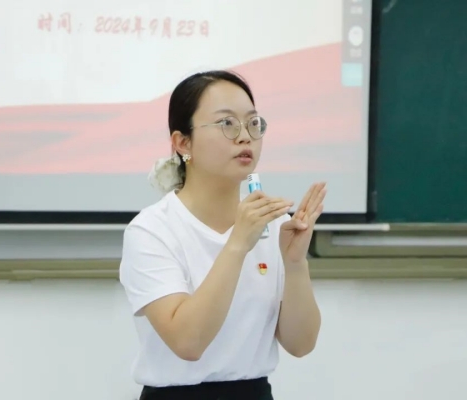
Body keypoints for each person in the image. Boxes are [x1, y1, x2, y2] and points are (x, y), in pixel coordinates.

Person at [119, 70, 326, 400]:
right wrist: (238, 243)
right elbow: (188, 342)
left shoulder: (273, 224)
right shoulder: (152, 230)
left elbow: (301, 344)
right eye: (227, 123)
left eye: (253, 123)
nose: (245, 137)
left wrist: (295, 263)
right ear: (183, 143)